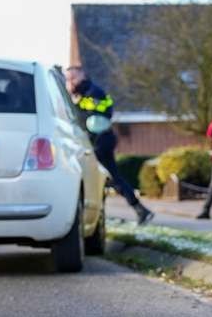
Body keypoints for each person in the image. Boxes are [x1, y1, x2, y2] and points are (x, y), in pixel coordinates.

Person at [65, 65, 154, 226]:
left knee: (110, 178)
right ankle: (128, 211)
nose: (70, 82)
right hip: (95, 142)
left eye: (73, 78)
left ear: (83, 76)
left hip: (101, 142)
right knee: (107, 179)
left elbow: (91, 115)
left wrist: (74, 102)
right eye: (68, 79)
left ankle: (139, 210)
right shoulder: (84, 93)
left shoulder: (92, 93)